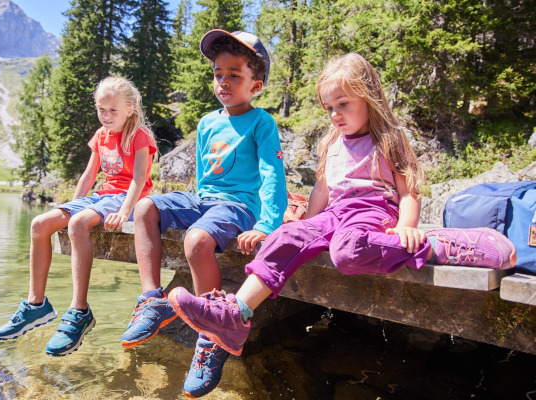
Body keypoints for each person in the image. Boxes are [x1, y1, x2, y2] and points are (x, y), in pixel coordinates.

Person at [168, 52, 518, 386]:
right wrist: (306, 227)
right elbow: (321, 190)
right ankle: (236, 314)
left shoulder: (388, 138)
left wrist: (406, 228)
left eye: (343, 104)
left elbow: (408, 190)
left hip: (373, 211)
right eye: (329, 108)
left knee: (347, 251)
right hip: (335, 213)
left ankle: (438, 245)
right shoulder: (331, 142)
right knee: (284, 238)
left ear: (369, 97)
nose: (335, 114)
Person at [119, 29, 287, 398]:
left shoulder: (262, 122)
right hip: (205, 199)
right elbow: (202, 177)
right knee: (145, 207)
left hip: (240, 206)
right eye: (218, 73)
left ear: (256, 85)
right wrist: (192, 207)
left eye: (234, 75)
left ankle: (211, 335)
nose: (223, 81)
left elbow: (272, 175)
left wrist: (266, 224)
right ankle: (153, 300)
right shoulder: (208, 122)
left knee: (196, 240)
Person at [0, 76, 158, 357]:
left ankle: (79, 311)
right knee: (39, 224)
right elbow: (89, 176)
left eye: (113, 110)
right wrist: (71, 205)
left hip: (127, 198)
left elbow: (139, 179)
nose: (106, 115)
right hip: (102, 196)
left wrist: (124, 212)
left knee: (78, 223)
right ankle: (36, 305)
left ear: (130, 109)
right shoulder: (101, 135)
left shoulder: (139, 135)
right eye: (101, 109)